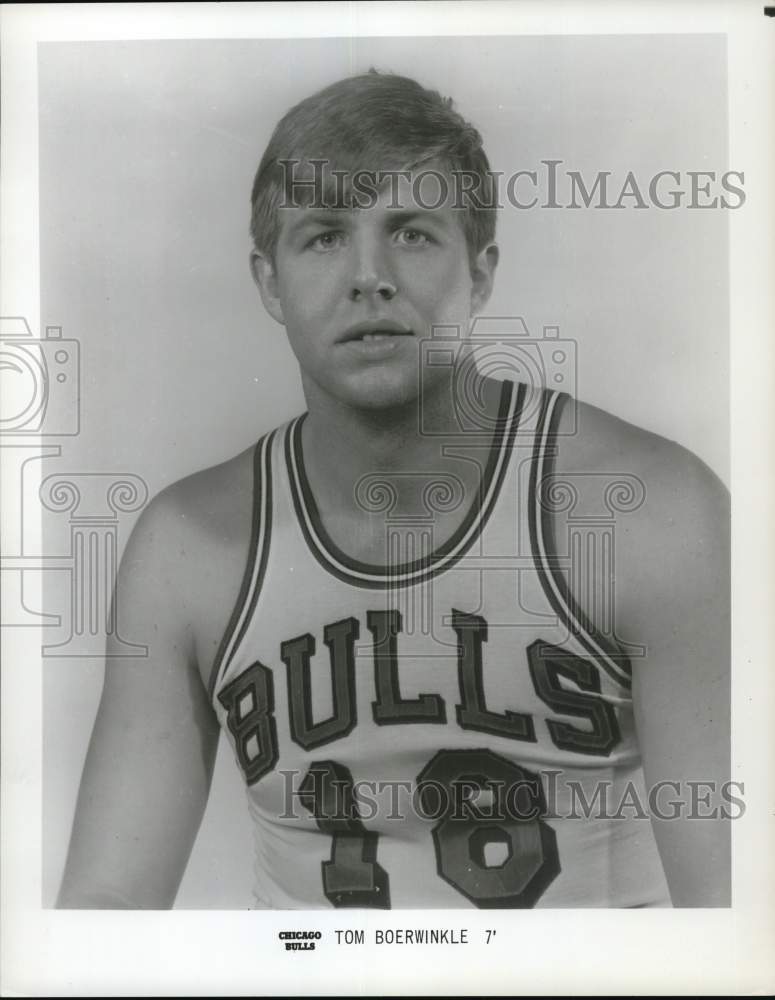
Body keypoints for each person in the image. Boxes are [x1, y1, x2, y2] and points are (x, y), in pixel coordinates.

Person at [57, 71, 730, 909]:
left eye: (409, 233)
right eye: (323, 236)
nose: (368, 277)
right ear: (269, 281)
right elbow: (104, 912)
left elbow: (737, 914)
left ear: (479, 273)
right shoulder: (186, 547)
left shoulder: (648, 510)